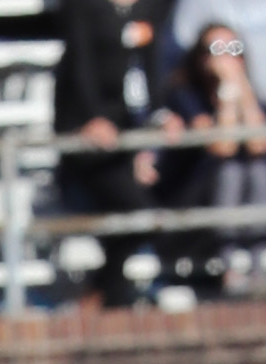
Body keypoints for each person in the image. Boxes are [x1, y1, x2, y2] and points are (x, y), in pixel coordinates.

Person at [54, 0, 178, 308]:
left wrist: (160, 115)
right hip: (88, 132)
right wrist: (91, 117)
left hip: (130, 132)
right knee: (135, 212)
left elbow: (150, 64)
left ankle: (104, 295)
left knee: (142, 216)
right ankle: (102, 294)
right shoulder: (83, 7)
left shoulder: (151, 8)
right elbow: (78, 62)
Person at [161, 24, 266, 291]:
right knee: (230, 170)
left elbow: (260, 143)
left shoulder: (253, 93)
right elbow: (222, 146)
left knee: (259, 168)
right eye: (216, 49)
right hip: (191, 201)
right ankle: (230, 268)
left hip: (239, 197)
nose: (226, 57)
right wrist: (227, 92)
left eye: (234, 49)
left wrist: (242, 89)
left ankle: (259, 268)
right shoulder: (185, 95)